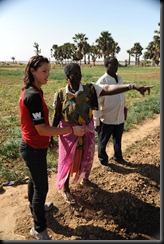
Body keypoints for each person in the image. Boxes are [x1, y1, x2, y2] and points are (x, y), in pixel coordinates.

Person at [51, 62, 152, 205]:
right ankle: (66, 189)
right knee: (68, 160)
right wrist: (51, 134)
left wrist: (132, 86)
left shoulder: (90, 89)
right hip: (69, 134)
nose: (79, 76)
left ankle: (85, 180)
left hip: (86, 131)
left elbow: (108, 88)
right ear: (68, 76)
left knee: (87, 156)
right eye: (75, 73)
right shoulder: (60, 94)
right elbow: (56, 116)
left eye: (80, 72)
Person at [19, 56, 84, 240]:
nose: (48, 75)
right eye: (44, 71)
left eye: (48, 70)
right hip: (32, 148)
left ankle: (36, 209)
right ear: (33, 72)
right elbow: (42, 129)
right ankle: (39, 229)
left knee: (34, 180)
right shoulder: (32, 95)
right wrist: (71, 129)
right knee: (41, 187)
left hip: (34, 146)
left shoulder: (35, 91)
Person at [93, 56, 127, 169]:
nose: (116, 67)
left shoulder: (119, 78)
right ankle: (103, 161)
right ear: (106, 65)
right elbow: (96, 104)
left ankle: (118, 157)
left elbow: (122, 96)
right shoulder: (102, 81)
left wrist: (124, 108)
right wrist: (96, 121)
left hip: (119, 116)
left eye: (117, 65)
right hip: (106, 118)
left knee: (118, 139)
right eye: (113, 65)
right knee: (103, 141)